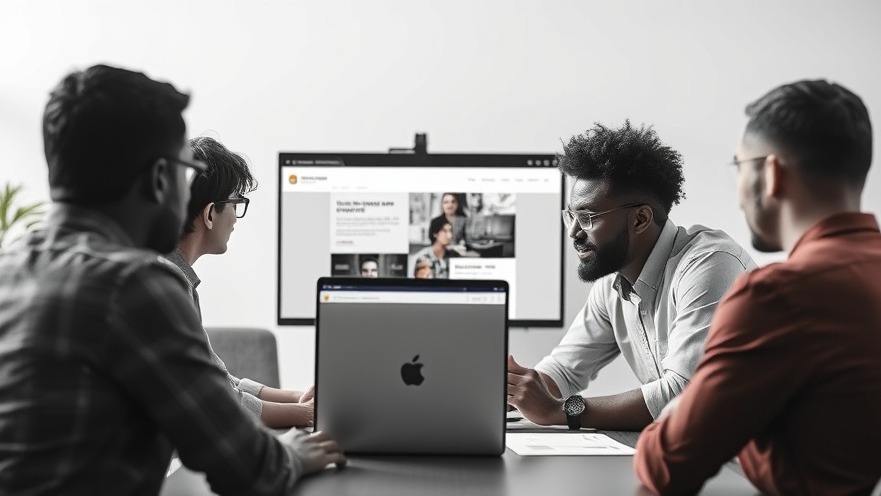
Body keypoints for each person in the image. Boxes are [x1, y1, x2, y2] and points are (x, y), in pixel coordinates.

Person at [0, 64, 344, 495]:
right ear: (161, 178)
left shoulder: (9, 265)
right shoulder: (132, 285)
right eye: (186, 171)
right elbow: (247, 467)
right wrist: (296, 453)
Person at [635, 80, 881, 495]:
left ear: (771, 173)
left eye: (739, 167)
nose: (738, 198)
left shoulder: (778, 297)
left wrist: (685, 407)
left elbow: (666, 465)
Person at [506, 121, 756, 431]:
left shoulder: (710, 265)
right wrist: (509, 391)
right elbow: (564, 372)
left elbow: (686, 394)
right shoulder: (612, 285)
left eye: (587, 217)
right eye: (571, 216)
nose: (573, 232)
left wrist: (564, 411)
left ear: (640, 219)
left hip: (760, 463)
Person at [165, 136, 314, 429]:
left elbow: (215, 378)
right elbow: (218, 400)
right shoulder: (168, 283)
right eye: (236, 203)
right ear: (210, 214)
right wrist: (311, 415)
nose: (236, 218)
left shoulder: (173, 274)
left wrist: (298, 398)